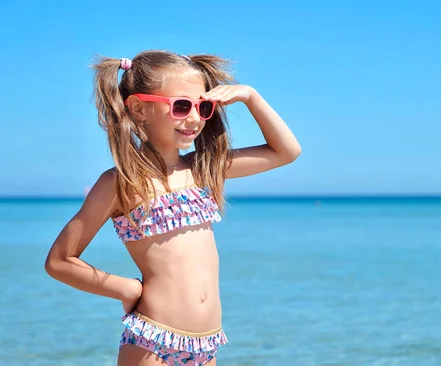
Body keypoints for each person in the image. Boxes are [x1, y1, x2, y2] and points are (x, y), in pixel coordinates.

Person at [44, 50, 301, 366]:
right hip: (153, 341)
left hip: (207, 344)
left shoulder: (202, 168)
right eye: (181, 106)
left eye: (202, 106)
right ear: (139, 108)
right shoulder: (120, 183)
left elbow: (286, 151)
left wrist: (251, 96)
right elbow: (60, 261)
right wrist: (126, 289)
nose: (194, 118)